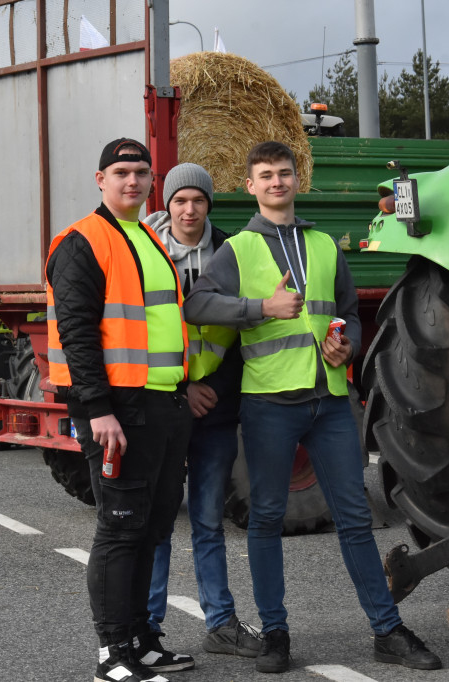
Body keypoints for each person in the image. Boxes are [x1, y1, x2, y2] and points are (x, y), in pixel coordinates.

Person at [185, 141, 442, 673]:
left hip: (329, 403)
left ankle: (387, 630)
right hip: (269, 405)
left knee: (355, 519)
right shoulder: (236, 251)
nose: (276, 182)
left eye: (284, 173)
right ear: (251, 186)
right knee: (266, 521)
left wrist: (343, 346)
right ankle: (276, 634)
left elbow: (345, 313)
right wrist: (261, 308)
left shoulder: (325, 245)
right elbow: (197, 305)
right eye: (265, 176)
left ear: (296, 179)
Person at [45, 138, 195, 682]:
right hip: (119, 411)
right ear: (100, 179)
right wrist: (97, 409)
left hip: (162, 404)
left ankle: (140, 641)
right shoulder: (84, 243)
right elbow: (77, 334)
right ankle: (112, 654)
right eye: (121, 172)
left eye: (140, 172)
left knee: (151, 529)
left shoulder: (147, 239)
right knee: (120, 527)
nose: (132, 181)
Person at [144, 164, 260, 657]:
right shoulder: (145, 252)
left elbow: (241, 333)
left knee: (209, 522)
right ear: (167, 205)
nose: (188, 210)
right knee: (158, 522)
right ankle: (145, 627)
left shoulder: (230, 251)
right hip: (165, 404)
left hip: (215, 407)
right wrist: (183, 388)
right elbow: (139, 329)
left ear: (210, 204)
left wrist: (210, 389)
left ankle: (220, 624)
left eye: (197, 200)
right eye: (179, 201)